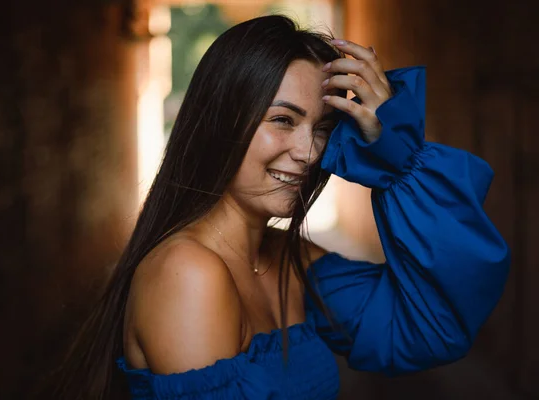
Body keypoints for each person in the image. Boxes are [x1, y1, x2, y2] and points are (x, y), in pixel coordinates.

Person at [51, 15, 510, 400]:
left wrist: (397, 156)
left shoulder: (290, 259)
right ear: (220, 121)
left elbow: (429, 326)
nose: (310, 153)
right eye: (283, 120)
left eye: (324, 127)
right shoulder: (189, 273)